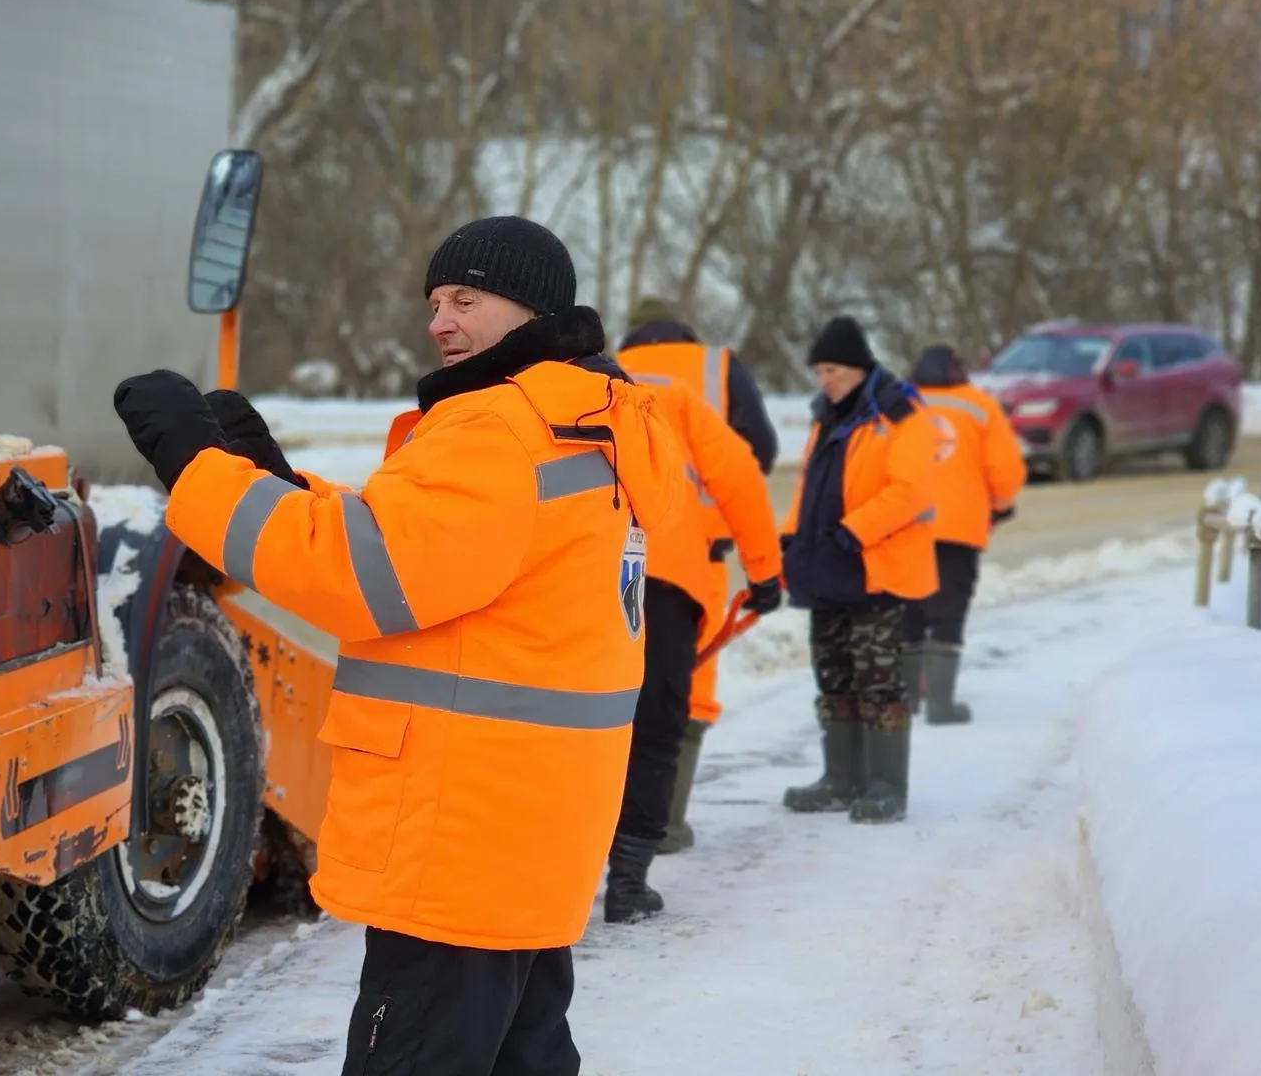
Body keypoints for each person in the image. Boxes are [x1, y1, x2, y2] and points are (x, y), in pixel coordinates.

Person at [112, 215, 687, 1075]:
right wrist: (279, 484)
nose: (440, 322)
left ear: (530, 310)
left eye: (466, 299)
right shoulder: (588, 424)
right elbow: (427, 554)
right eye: (434, 302)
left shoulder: (498, 430)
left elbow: (360, 574)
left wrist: (198, 465)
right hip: (529, 834)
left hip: (460, 840)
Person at [616, 298, 782, 857]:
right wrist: (764, 572)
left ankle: (597, 830)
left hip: (596, 558)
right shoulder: (715, 369)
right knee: (680, 695)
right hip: (690, 554)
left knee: (601, 691)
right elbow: (753, 457)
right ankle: (661, 828)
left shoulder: (600, 371)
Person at [777, 316, 939, 824]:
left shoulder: (900, 414)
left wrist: (855, 530)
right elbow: (808, 488)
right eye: (820, 370)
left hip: (874, 570)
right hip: (825, 570)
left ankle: (887, 786)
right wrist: (789, 537)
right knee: (833, 677)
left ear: (858, 366)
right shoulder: (826, 415)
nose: (826, 379)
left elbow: (911, 490)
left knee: (878, 682)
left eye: (834, 369)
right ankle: (840, 781)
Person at [903, 343, 1026, 724]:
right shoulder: (979, 406)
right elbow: (1005, 470)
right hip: (959, 526)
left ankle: (904, 700)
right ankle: (941, 704)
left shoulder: (899, 405)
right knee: (948, 609)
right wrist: (1002, 504)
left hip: (905, 523)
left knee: (907, 607)